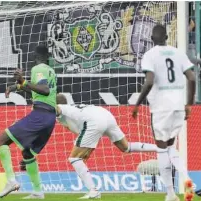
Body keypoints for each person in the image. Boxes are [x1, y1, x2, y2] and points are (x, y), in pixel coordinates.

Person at [132, 24, 196, 201]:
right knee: (170, 148)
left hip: (160, 108)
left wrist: (137, 104)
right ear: (167, 37)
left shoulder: (150, 55)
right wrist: (189, 104)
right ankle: (187, 179)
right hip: (177, 106)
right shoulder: (178, 53)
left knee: (162, 150)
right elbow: (192, 77)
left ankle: (170, 193)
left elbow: (150, 81)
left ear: (151, 39)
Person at [56, 94, 157, 199]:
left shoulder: (62, 108)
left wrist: (41, 101)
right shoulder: (72, 111)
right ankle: (160, 149)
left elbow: (56, 108)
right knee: (126, 147)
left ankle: (93, 191)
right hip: (106, 115)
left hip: (93, 121)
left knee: (75, 158)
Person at [0, 45, 57, 199]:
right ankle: (37, 191)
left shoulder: (38, 68)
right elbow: (39, 91)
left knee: (0, 140)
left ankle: (10, 180)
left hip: (40, 115)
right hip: (49, 117)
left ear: (35, 56)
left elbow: (44, 90)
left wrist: (23, 80)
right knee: (27, 153)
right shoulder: (51, 70)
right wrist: (18, 86)